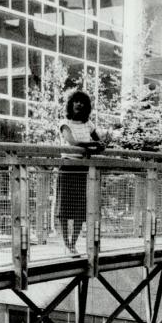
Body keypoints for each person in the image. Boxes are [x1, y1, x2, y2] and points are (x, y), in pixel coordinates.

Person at [57, 90, 110, 252]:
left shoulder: (89, 124)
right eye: (76, 101)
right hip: (67, 167)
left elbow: (99, 142)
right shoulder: (65, 123)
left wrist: (100, 144)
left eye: (82, 102)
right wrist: (90, 146)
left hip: (83, 169)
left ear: (86, 106)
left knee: (80, 209)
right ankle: (66, 243)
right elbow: (71, 142)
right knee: (64, 209)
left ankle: (73, 243)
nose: (79, 104)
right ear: (71, 104)